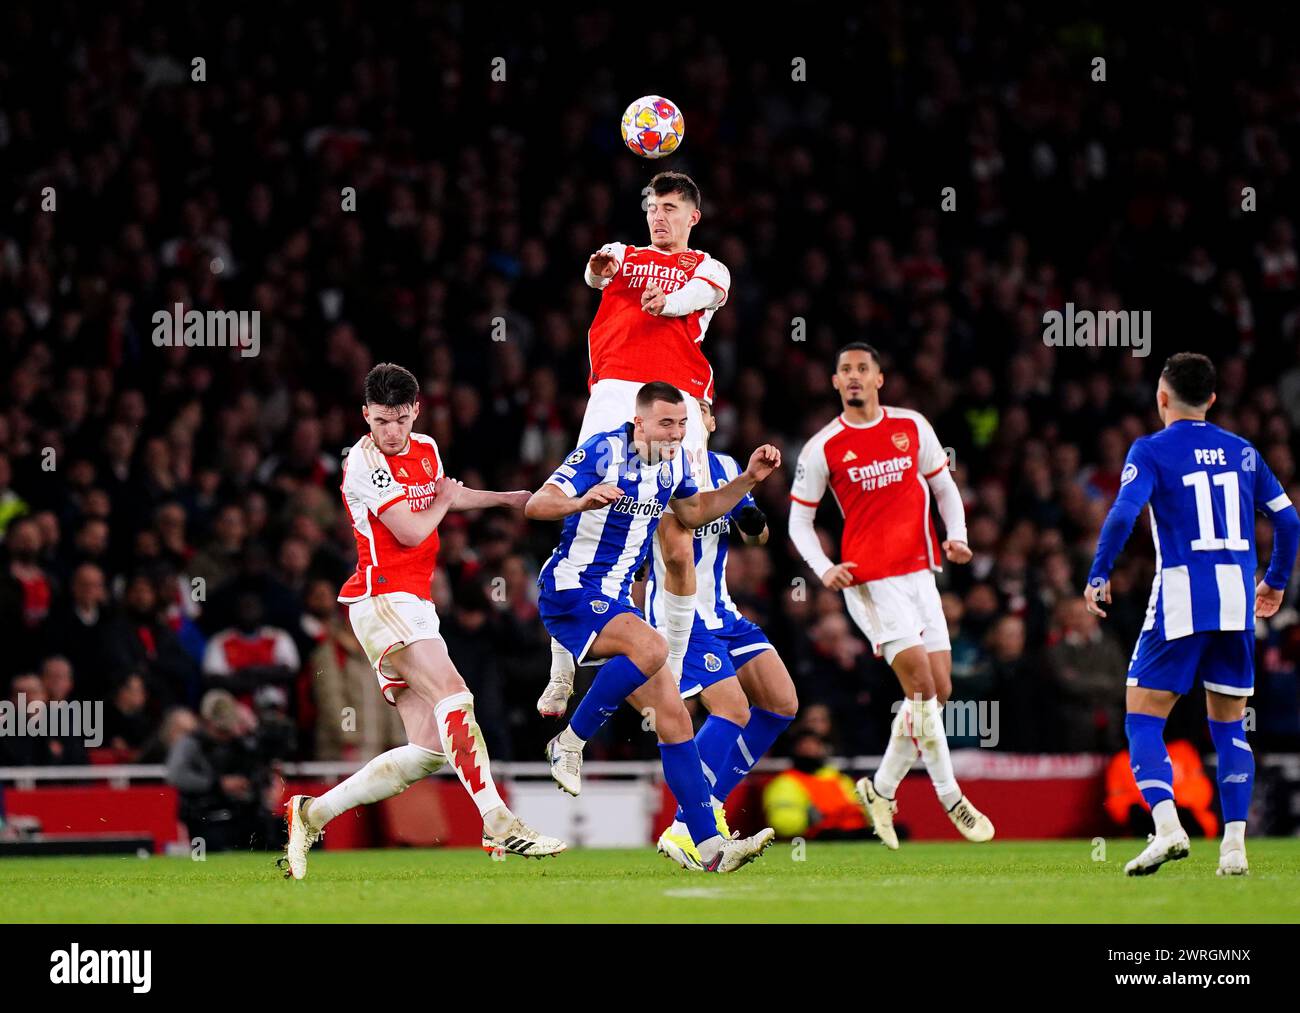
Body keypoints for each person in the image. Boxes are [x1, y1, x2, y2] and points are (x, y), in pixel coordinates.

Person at [281, 363, 565, 881]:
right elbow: (413, 530)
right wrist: (445, 500)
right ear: (365, 414)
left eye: (400, 419)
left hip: (415, 604)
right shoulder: (362, 464)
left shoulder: (427, 448)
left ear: (416, 412)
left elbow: (448, 498)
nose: (391, 431)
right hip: (381, 597)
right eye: (381, 420)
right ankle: (496, 819)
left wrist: (510, 499)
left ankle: (311, 812)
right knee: (455, 695)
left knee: (430, 749)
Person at [526, 381, 779, 873]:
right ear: (638, 422)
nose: (676, 433)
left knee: (674, 717)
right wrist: (582, 501)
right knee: (654, 648)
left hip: (616, 600)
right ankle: (571, 740)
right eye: (666, 423)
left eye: (682, 424)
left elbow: (692, 512)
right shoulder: (602, 451)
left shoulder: (676, 463)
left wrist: (747, 478)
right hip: (572, 590)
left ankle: (707, 847)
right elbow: (537, 504)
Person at [1085, 352, 1299, 876]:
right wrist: (1273, 582)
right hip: (1236, 601)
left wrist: (1098, 573)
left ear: (1162, 397)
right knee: (1229, 728)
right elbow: (1289, 521)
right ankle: (1233, 848)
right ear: (1212, 400)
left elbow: (1123, 512)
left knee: (1141, 717)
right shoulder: (1244, 452)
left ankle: (1167, 827)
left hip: (1181, 598)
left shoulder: (1151, 450)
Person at [538, 171, 732, 714]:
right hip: (616, 390)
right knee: (583, 516)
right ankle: (560, 671)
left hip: (679, 400)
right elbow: (598, 274)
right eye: (653, 207)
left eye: (671, 207)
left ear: (693, 216)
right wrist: (597, 270)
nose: (659, 216)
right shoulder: (625, 253)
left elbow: (701, 293)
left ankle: (669, 667)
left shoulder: (708, 266)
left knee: (677, 533)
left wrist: (665, 303)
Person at [788, 342, 994, 849]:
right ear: (835, 383)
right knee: (922, 686)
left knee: (938, 691)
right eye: (845, 371)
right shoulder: (824, 447)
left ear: (880, 378)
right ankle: (951, 797)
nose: (854, 377)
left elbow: (945, 488)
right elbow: (798, 520)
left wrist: (959, 535)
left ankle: (880, 789)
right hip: (871, 581)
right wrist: (823, 568)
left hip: (921, 572)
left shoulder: (912, 426)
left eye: (863, 369)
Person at [644, 399, 800, 870]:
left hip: (724, 612)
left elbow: (757, 537)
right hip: (681, 611)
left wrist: (753, 521)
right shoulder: (662, 470)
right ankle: (689, 825)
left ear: (708, 422)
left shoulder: (727, 466)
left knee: (781, 702)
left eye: (698, 412)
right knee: (732, 707)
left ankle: (703, 808)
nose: (689, 422)